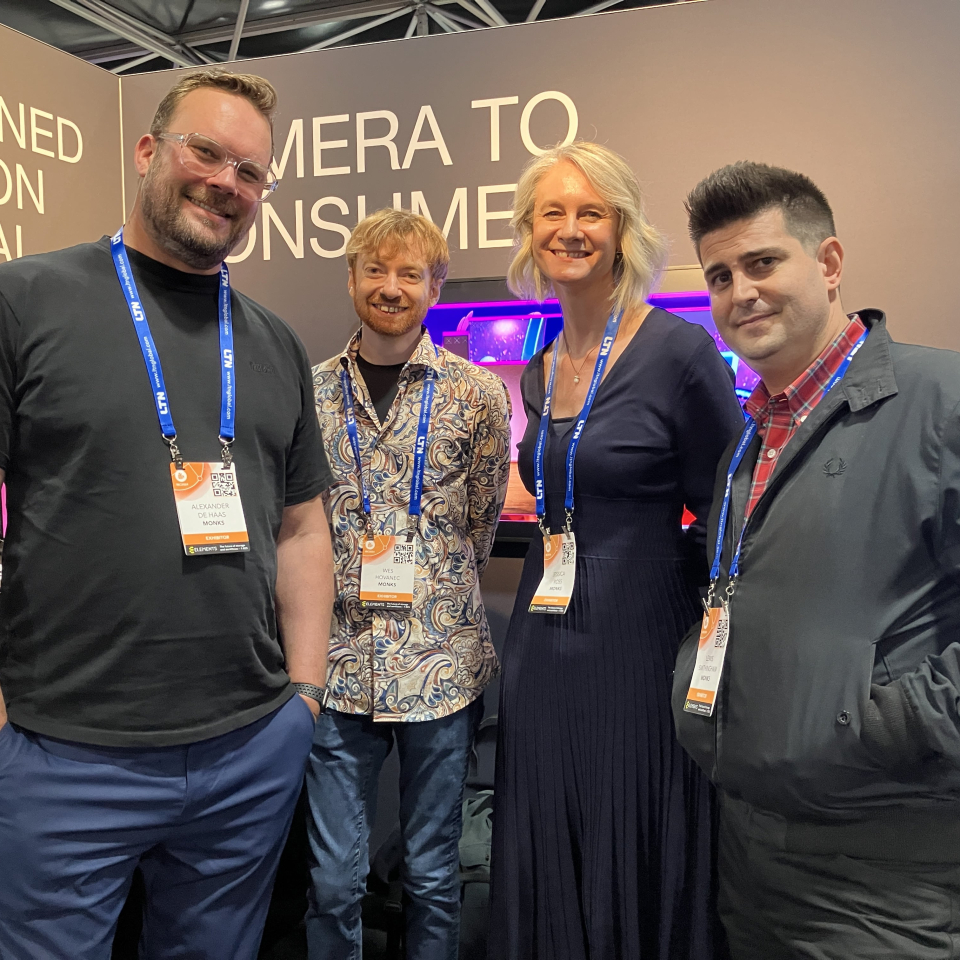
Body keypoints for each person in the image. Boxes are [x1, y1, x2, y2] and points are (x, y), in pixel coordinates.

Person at [0, 69, 334, 959]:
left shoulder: (274, 342)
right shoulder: (26, 299)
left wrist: (302, 696)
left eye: (252, 172)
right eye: (207, 151)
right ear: (149, 150)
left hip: (247, 749)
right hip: (62, 750)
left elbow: (303, 528)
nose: (228, 181)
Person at [672, 160, 960, 959]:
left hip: (885, 862)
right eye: (721, 275)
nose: (740, 293)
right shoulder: (750, 435)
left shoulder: (939, 402)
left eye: (763, 263)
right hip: (753, 845)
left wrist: (886, 725)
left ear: (829, 264)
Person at [489, 141, 744, 960]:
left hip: (640, 640)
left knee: (632, 821)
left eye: (590, 212)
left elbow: (726, 514)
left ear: (623, 229)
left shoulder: (677, 352)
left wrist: (712, 655)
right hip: (542, 641)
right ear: (530, 233)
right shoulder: (536, 370)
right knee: (549, 819)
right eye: (553, 213)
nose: (570, 230)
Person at [307, 208, 512, 960]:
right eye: (375, 270)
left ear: (436, 284)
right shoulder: (312, 391)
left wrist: (431, 579)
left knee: (433, 877)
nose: (391, 288)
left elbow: (479, 523)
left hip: (441, 666)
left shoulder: (477, 394)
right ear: (353, 277)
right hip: (335, 668)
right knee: (332, 882)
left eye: (409, 273)